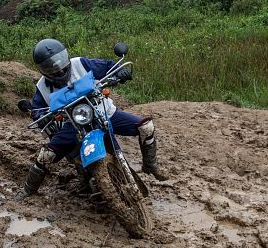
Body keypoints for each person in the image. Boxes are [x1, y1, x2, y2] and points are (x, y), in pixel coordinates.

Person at [14, 38, 166, 202]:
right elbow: (37, 110)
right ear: (42, 69)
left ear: (65, 55)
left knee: (146, 126)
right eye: (49, 66)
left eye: (59, 60)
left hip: (104, 111)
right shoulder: (42, 87)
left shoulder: (80, 63)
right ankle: (28, 189)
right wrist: (39, 118)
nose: (58, 68)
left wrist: (119, 71)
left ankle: (150, 164)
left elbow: (108, 66)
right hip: (73, 124)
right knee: (46, 155)